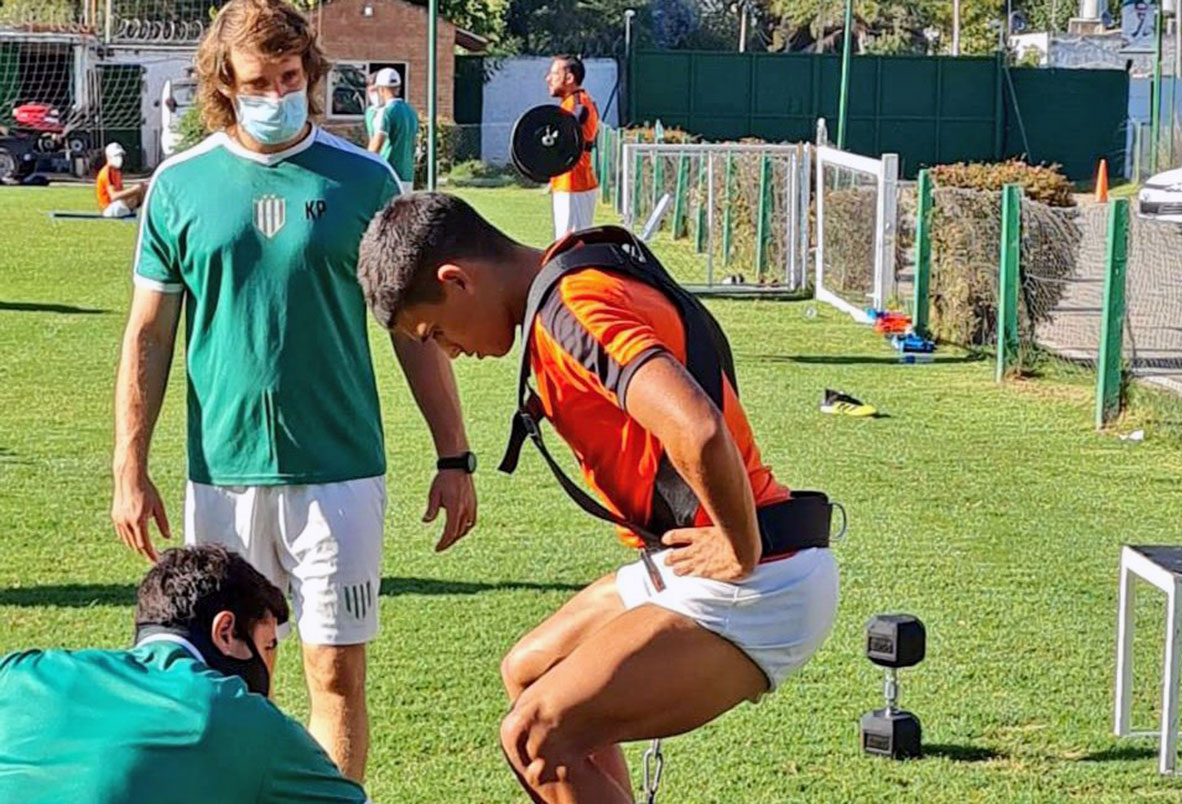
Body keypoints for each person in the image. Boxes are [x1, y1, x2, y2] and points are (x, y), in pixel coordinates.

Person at [356, 194, 841, 803]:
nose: (452, 352)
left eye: (437, 333)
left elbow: (699, 429)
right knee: (529, 672)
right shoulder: (570, 278)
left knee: (535, 737)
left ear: (457, 280)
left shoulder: (572, 309)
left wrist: (741, 548)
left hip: (765, 578)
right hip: (712, 558)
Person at [110, 0, 477, 783]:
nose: (275, 95)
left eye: (289, 76)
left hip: (340, 471)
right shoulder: (179, 186)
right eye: (256, 81)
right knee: (224, 687)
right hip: (223, 475)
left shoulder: (368, 182)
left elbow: (413, 330)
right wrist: (128, 470)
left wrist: (456, 455)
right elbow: (148, 337)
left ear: (310, 74)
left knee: (335, 678)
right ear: (222, 84)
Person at [0, 545, 368, 803]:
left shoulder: (23, 671)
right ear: (226, 632)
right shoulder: (240, 717)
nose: (270, 671)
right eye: (269, 646)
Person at [545, 55, 598, 239]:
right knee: (564, 243)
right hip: (567, 181)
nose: (548, 78)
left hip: (575, 183)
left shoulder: (578, 103)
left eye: (553, 74)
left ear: (569, 78)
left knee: (571, 245)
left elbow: (567, 133)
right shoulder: (570, 102)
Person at [367, 67, 419, 195]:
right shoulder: (411, 111)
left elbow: (377, 144)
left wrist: (364, 166)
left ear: (381, 89)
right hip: (407, 174)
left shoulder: (385, 112)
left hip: (388, 174)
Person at [96, 142, 145, 217]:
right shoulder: (107, 172)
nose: (119, 158)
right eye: (116, 155)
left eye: (120, 155)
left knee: (144, 189)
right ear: (108, 157)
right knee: (140, 190)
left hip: (116, 205)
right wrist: (134, 189)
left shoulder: (116, 171)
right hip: (109, 208)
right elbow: (113, 196)